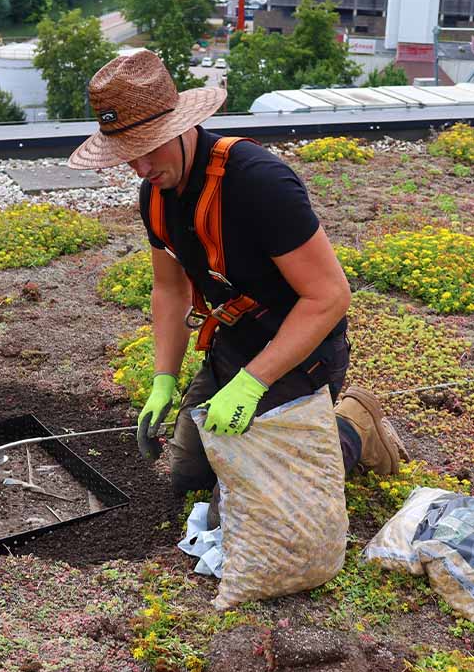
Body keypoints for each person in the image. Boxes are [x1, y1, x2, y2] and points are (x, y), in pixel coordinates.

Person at [68, 50, 407, 529]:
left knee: (257, 512)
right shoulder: (157, 196)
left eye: (149, 148)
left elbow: (329, 297)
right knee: (188, 475)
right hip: (233, 346)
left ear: (181, 126)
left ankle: (353, 425)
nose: (141, 168)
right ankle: (279, 433)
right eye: (127, 156)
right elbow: (170, 289)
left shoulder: (257, 182)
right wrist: (163, 378)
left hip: (299, 354)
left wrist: (254, 382)